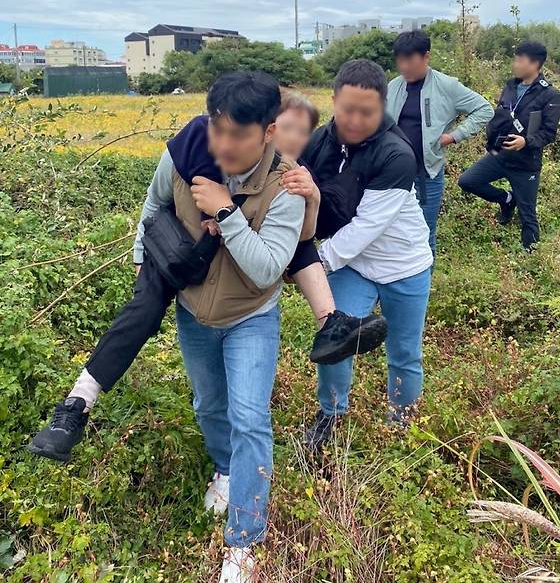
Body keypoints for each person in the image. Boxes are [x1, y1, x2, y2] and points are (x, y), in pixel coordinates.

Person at [28, 88, 386, 466]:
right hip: (176, 254)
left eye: (238, 134)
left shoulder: (287, 176)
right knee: (144, 310)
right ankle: (77, 404)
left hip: (245, 281)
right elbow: (155, 198)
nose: (225, 144)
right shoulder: (193, 144)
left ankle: (330, 322)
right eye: (220, 129)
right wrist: (140, 254)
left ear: (268, 132)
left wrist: (246, 211)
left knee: (246, 414)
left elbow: (297, 242)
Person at [303, 59, 435, 451]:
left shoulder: (396, 153)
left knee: (405, 351)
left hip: (403, 265)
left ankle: (401, 423)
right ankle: (329, 414)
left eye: (367, 112)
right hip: (354, 266)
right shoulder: (319, 143)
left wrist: (313, 263)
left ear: (383, 107)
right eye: (347, 110)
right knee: (334, 340)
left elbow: (365, 227)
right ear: (333, 101)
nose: (356, 120)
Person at [387, 30, 493, 256]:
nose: (403, 66)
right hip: (393, 174)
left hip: (427, 175)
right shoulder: (393, 87)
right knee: (393, 232)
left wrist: (454, 135)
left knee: (425, 232)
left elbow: (484, 109)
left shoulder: (447, 86)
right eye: (400, 60)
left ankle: (422, 285)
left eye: (409, 60)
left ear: (426, 57)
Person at [458, 40, 560, 251]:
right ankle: (506, 199)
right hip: (500, 154)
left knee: (528, 216)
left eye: (519, 60)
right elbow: (501, 115)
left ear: (534, 64)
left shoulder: (550, 95)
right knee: (467, 181)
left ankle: (532, 258)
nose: (515, 64)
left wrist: (526, 141)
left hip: (525, 163)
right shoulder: (510, 86)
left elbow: (549, 133)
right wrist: (491, 142)